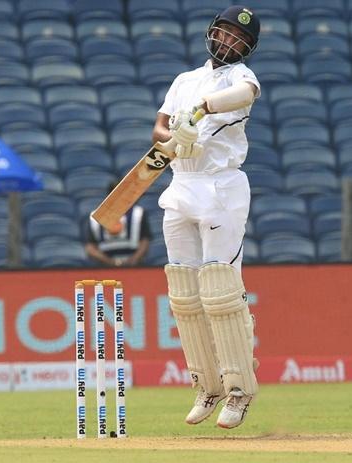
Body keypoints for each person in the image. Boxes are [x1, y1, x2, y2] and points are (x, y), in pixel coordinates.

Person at [152, 5, 261, 429]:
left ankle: (238, 389)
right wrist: (174, 137)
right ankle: (207, 384)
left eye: (239, 39)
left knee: (220, 288)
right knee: (184, 293)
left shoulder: (240, 79)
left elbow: (246, 96)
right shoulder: (184, 80)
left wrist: (198, 112)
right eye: (226, 33)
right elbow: (158, 127)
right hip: (181, 185)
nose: (229, 42)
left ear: (247, 47)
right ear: (212, 32)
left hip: (221, 187)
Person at [86, 181, 152, 267]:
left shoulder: (138, 213)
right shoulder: (95, 216)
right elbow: (90, 247)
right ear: (109, 195)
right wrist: (109, 261)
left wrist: (134, 260)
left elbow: (145, 241)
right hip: (105, 267)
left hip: (135, 266)